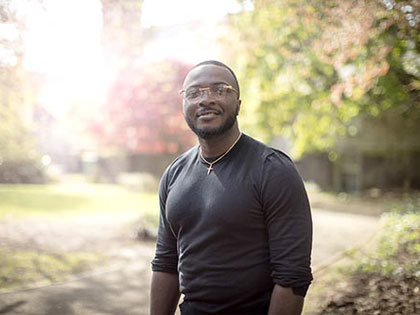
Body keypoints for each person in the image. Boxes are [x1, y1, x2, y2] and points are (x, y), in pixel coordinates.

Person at [150, 60, 313, 315]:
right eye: (194, 93)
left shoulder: (273, 170)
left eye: (220, 90)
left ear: (238, 103)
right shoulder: (174, 174)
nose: (206, 99)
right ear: (184, 105)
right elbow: (166, 263)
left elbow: (292, 277)